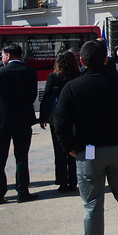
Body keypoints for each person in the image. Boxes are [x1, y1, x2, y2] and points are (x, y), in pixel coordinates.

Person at [53, 39, 118, 235]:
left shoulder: (73, 87)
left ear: (82, 61)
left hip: (88, 150)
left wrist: (70, 148)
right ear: (105, 60)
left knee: (92, 203)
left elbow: (61, 123)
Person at [0, 42, 39, 204]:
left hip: (2, 122)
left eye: (2, 54)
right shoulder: (29, 71)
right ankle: (22, 191)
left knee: (1, 158)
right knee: (21, 157)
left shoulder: (1, 72)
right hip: (23, 121)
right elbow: (32, 95)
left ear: (8, 55)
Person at [38, 50, 81, 193]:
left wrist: (43, 118)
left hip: (57, 118)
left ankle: (62, 182)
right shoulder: (78, 75)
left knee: (59, 150)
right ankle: (73, 181)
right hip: (75, 116)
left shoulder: (53, 77)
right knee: (74, 149)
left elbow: (47, 97)